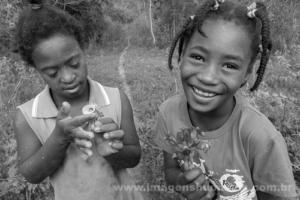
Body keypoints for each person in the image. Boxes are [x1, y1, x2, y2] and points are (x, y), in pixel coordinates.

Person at [153, 0, 298, 199]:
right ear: (182, 54)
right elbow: (170, 170)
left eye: (229, 66)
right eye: (198, 57)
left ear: (247, 73)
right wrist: (183, 182)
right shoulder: (169, 114)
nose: (207, 77)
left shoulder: (260, 137)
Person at [14, 1, 142, 199]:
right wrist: (59, 137)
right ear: (36, 68)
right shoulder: (28, 116)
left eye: (74, 64)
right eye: (52, 72)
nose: (67, 77)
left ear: (83, 49)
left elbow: (134, 156)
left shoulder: (115, 99)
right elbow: (32, 175)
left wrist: (111, 150)